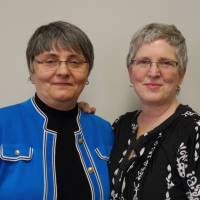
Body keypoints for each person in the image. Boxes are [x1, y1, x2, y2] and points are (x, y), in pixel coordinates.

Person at [80, 23, 200, 199]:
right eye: (144, 62)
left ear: (181, 74)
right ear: (130, 72)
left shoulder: (193, 132)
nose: (153, 72)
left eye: (165, 63)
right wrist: (77, 115)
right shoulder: (122, 126)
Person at [0, 21, 114, 200]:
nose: (63, 71)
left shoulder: (105, 131)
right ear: (32, 69)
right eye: (50, 61)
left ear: (87, 72)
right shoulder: (3, 124)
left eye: (75, 61)